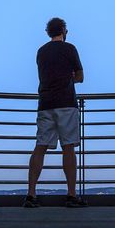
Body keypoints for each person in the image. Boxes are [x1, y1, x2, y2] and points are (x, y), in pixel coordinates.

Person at [24, 17, 88, 208]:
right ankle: (71, 195)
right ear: (64, 31)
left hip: (45, 103)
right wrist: (70, 78)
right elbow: (80, 76)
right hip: (66, 103)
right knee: (68, 147)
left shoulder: (41, 52)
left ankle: (31, 194)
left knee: (40, 146)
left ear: (48, 32)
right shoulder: (70, 49)